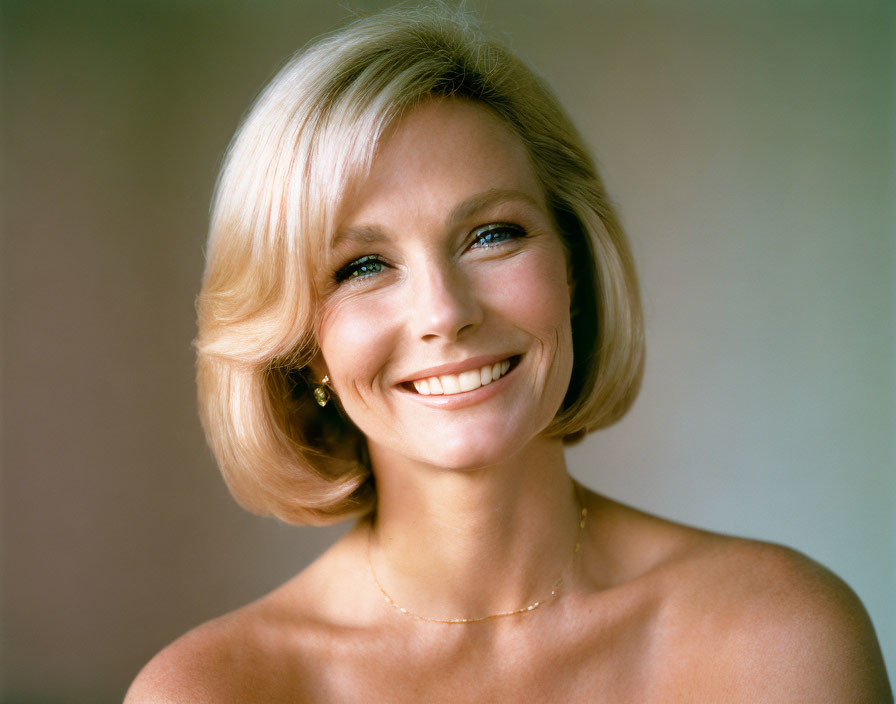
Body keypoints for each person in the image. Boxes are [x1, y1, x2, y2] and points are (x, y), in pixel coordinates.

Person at [125, 6, 892, 702]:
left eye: (492, 234)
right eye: (361, 267)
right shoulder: (209, 692)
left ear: (574, 270)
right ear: (303, 347)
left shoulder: (787, 639)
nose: (445, 313)